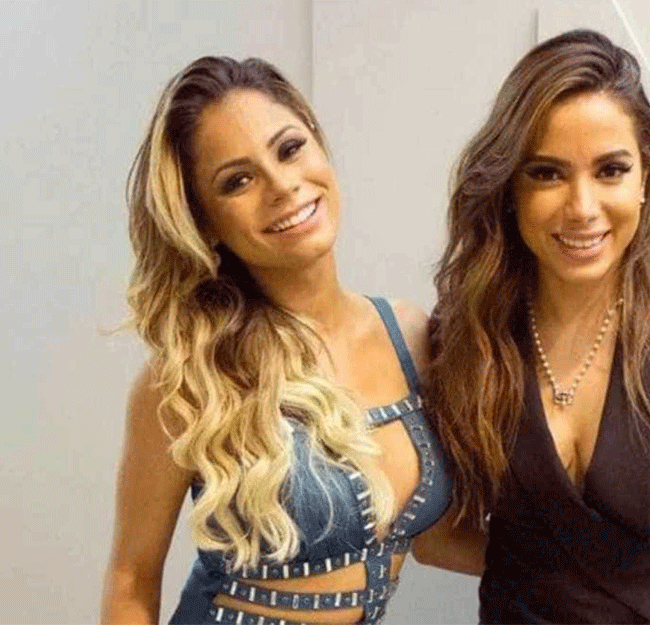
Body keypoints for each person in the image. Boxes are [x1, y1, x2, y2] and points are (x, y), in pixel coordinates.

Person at [418, 29, 650, 623]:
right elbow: (435, 529)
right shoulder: (466, 331)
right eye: (546, 173)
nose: (582, 207)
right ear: (509, 188)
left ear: (645, 179)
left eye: (610, 170)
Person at [100, 56, 451, 625]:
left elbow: (436, 540)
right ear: (204, 221)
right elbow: (131, 579)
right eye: (237, 181)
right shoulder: (188, 377)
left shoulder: (410, 335)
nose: (283, 186)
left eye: (289, 149)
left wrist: (586, 564)